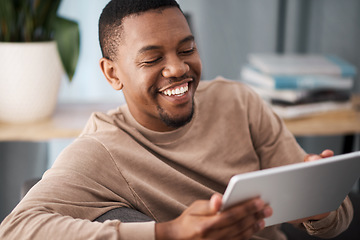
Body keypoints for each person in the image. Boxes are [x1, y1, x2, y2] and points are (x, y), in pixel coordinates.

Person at [0, 0, 353, 239]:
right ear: (112, 74)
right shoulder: (101, 149)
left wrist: (318, 204)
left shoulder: (239, 101)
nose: (178, 68)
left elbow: (334, 222)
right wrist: (167, 232)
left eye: (187, 49)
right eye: (152, 59)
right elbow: (16, 228)